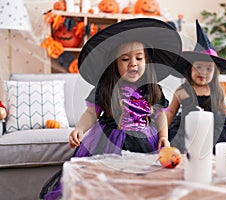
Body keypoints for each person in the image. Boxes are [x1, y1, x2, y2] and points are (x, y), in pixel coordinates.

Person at [40, 18, 182, 200]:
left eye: (139, 58)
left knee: (143, 176)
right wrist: (80, 129)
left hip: (145, 138)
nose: (133, 63)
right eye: (125, 59)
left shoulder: (152, 88)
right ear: (115, 63)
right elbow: (91, 113)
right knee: (106, 178)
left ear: (147, 60)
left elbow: (160, 114)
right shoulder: (106, 88)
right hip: (110, 139)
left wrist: (163, 136)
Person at [167, 20, 226, 153]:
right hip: (188, 127)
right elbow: (171, 112)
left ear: (215, 73)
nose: (203, 72)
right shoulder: (182, 91)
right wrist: (163, 134)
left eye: (209, 69)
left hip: (216, 127)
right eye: (198, 67)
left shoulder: (217, 90)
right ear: (189, 68)